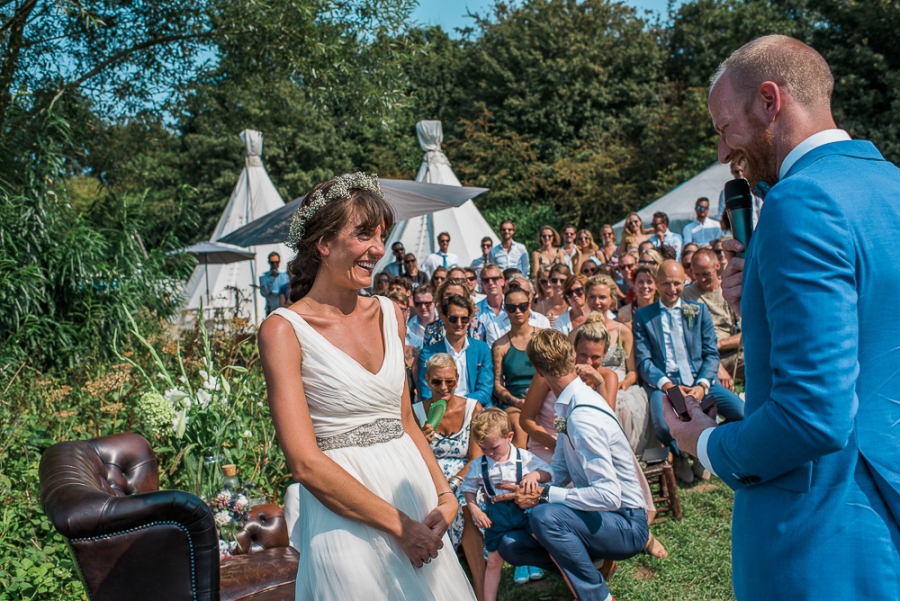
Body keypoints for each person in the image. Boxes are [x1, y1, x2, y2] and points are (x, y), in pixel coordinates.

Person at [665, 35, 900, 601]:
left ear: (770, 101)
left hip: (821, 536)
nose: (723, 152)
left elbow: (814, 415)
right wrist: (760, 301)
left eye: (724, 128)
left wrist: (706, 445)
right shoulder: (891, 184)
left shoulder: (802, 201)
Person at [259, 173, 475, 600]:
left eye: (381, 236)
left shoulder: (391, 313)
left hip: (412, 495)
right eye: (363, 235)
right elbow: (303, 462)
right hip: (346, 517)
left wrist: (446, 496)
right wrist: (400, 527)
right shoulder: (284, 330)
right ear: (323, 242)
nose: (378, 249)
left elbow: (407, 423)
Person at [496, 330, 650, 601]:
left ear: (537, 370)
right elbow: (561, 467)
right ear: (571, 358)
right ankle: (592, 564)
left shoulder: (582, 415)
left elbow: (609, 495)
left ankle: (598, 595)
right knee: (511, 545)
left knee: (544, 517)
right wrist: (535, 479)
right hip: (598, 514)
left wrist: (544, 495)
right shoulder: (566, 407)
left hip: (626, 521)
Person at [632, 260, 744, 484]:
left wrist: (702, 385)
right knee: (663, 426)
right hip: (666, 383)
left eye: (677, 283)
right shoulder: (643, 315)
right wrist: (667, 385)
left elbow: (712, 354)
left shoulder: (698, 310)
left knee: (741, 412)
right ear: (655, 284)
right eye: (665, 284)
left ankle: (704, 444)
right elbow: (644, 361)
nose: (671, 289)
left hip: (699, 379)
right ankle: (681, 453)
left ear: (685, 281)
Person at [414, 354, 486, 600]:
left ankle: (481, 588)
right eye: (436, 382)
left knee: (466, 505)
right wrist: (421, 441)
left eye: (450, 382)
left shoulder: (472, 408)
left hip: (464, 475)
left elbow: (476, 457)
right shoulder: (416, 412)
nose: (443, 388)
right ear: (427, 380)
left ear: (457, 380)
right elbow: (410, 458)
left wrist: (454, 483)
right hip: (429, 475)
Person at [461, 409, 552, 599]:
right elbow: (468, 488)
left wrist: (535, 475)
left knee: (550, 544)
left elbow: (549, 473)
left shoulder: (524, 458)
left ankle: (575, 582)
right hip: (497, 515)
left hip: (524, 510)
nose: (489, 453)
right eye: (483, 448)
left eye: (494, 447)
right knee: (493, 560)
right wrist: (475, 509)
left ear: (509, 437)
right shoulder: (480, 464)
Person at [584, 277, 652, 454]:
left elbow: (632, 372)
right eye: (592, 297)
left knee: (624, 409)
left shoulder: (623, 331)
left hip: (620, 385)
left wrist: (625, 383)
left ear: (612, 299)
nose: (597, 302)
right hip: (589, 385)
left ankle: (624, 458)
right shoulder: (577, 332)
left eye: (602, 297)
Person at [418, 294, 493, 407]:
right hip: (441, 409)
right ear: (443, 319)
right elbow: (427, 393)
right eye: (453, 319)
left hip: (475, 407)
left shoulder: (482, 349)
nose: (459, 323)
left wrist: (459, 404)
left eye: (464, 319)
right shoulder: (428, 353)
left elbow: (485, 392)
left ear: (469, 320)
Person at [682, 249, 741, 389]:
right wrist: (716, 362)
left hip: (730, 351)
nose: (701, 279)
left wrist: (719, 345)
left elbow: (747, 332)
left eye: (706, 274)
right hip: (701, 355)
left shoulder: (728, 290)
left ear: (717, 266)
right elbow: (689, 338)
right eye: (697, 274)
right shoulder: (686, 295)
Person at [491, 287, 542, 449]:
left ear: (530, 306)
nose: (518, 311)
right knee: (520, 427)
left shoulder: (543, 337)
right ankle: (520, 470)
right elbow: (498, 384)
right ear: (505, 309)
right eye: (512, 308)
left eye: (523, 306)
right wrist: (517, 402)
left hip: (544, 397)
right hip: (515, 401)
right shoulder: (500, 345)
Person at [484, 277, 550, 346]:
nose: (519, 296)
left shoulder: (542, 321)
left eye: (525, 293)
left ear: (531, 296)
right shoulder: (494, 325)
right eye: (514, 291)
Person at [388, 290, 420, 400]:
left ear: (408, 311)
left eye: (401, 309)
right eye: (393, 309)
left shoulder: (418, 342)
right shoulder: (377, 338)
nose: (397, 313)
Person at [716, 161, 763, 231]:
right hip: (735, 230)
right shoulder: (726, 191)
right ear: (732, 172)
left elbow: (761, 209)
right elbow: (720, 214)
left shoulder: (753, 187)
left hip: (754, 229)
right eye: (736, 171)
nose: (740, 173)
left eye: (742, 170)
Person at [475, 264, 505, 333]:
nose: (490, 283)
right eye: (486, 280)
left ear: (502, 281)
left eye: (494, 279)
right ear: (482, 284)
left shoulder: (514, 306)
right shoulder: (475, 310)